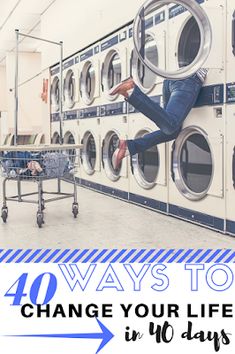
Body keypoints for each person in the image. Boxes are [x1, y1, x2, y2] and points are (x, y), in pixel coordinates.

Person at [109, 69, 208, 170]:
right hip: (189, 79)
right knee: (171, 125)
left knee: (172, 131)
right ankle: (131, 91)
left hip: (172, 80)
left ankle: (129, 147)